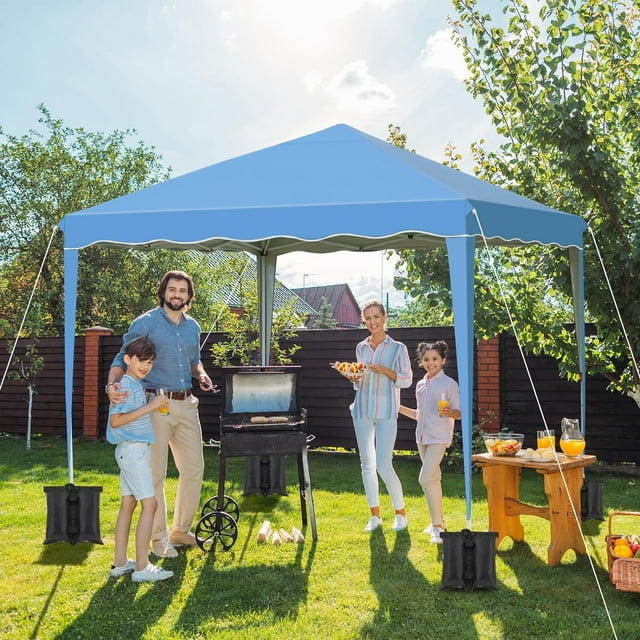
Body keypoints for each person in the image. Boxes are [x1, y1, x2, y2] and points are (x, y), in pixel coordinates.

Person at [106, 270, 215, 559]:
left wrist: (202, 374)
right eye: (172, 290)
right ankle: (158, 538)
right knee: (156, 474)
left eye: (182, 291)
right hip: (157, 403)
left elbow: (194, 361)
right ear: (163, 292)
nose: (177, 295)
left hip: (187, 403)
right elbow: (121, 357)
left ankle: (181, 530)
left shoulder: (193, 327)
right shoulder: (145, 322)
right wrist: (111, 384)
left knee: (194, 469)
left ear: (189, 296)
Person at [107, 336, 174, 582]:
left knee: (129, 504)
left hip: (130, 451)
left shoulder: (133, 384)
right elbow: (116, 421)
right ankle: (142, 567)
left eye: (149, 362)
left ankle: (121, 562)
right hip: (133, 453)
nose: (145, 366)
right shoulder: (127, 386)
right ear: (127, 359)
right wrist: (151, 406)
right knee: (150, 504)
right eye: (141, 361)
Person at [351, 300, 413, 533]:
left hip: (387, 412)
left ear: (384, 317)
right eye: (368, 318)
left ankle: (400, 514)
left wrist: (386, 371)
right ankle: (375, 517)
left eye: (376, 317)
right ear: (363, 321)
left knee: (384, 465)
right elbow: (360, 381)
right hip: (363, 411)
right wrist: (354, 379)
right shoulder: (361, 348)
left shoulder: (398, 348)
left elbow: (406, 381)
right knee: (367, 465)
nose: (372, 322)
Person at [399, 340, 461, 544]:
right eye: (426, 359)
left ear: (443, 360)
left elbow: (459, 413)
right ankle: (438, 521)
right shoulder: (420, 385)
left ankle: (437, 528)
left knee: (425, 479)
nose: (430, 362)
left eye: (435, 359)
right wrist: (398, 407)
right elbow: (420, 414)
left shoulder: (449, 384)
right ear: (421, 361)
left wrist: (451, 412)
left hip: (439, 437)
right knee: (433, 479)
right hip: (422, 437)